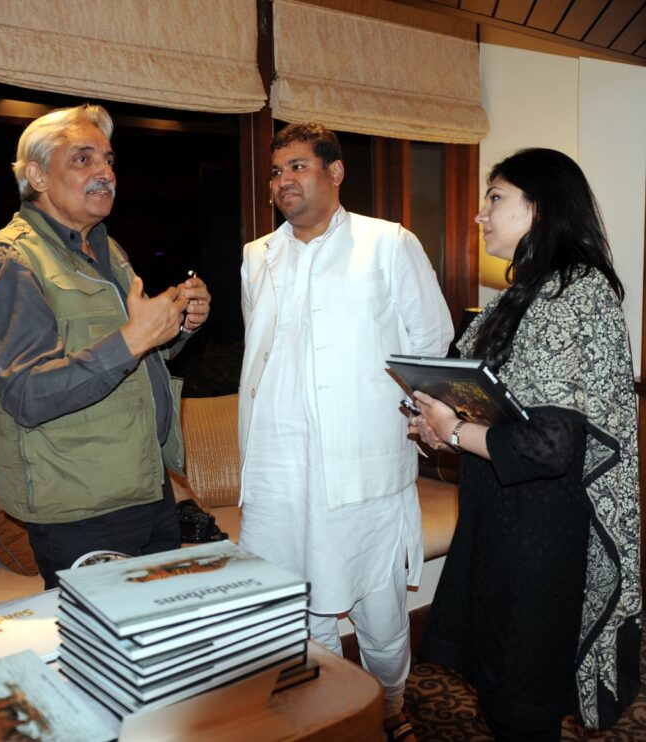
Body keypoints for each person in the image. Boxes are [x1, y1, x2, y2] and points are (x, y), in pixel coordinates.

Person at [412, 148, 641, 740]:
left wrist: (454, 429)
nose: (481, 215)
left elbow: (549, 446)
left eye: (496, 198)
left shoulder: (575, 292)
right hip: (498, 516)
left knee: (522, 701)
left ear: (539, 208)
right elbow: (495, 412)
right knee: (496, 685)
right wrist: (441, 427)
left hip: (540, 530)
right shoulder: (523, 296)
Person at [238, 122, 453, 739]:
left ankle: (390, 707)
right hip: (278, 471)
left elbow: (429, 345)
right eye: (276, 171)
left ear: (335, 173)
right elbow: (265, 357)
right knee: (298, 609)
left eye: (298, 167)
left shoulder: (388, 244)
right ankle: (330, 716)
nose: (283, 181)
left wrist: (426, 421)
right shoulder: (259, 256)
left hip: (361, 465)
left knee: (378, 608)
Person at [0, 104, 211, 588]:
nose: (104, 172)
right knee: (101, 658)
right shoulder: (11, 259)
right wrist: (133, 339)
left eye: (107, 160)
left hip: (147, 486)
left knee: (158, 647)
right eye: (82, 159)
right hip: (82, 507)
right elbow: (27, 394)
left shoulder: (106, 249)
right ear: (37, 175)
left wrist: (176, 327)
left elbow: (129, 360)